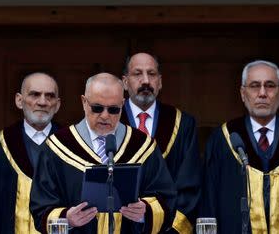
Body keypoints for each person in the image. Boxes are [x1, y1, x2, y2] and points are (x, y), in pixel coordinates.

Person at [30, 73, 177, 233]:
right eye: (97, 108)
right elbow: (40, 210)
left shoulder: (142, 146)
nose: (105, 116)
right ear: (84, 102)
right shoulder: (56, 148)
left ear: (122, 104)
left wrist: (145, 212)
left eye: (113, 109)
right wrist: (67, 219)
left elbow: (167, 201)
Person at [201, 60, 279, 233]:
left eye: (270, 86)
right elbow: (209, 201)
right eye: (254, 86)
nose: (262, 93)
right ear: (243, 93)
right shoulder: (222, 139)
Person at [121, 52, 201, 234]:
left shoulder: (183, 124)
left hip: (168, 227)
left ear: (160, 81)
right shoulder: (110, 122)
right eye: (137, 74)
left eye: (152, 74)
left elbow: (189, 186)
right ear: (125, 82)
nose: (145, 81)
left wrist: (173, 229)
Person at [0, 72, 61, 233]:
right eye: (35, 94)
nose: (42, 102)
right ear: (19, 101)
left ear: (57, 105)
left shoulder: (70, 142)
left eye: (49, 96)